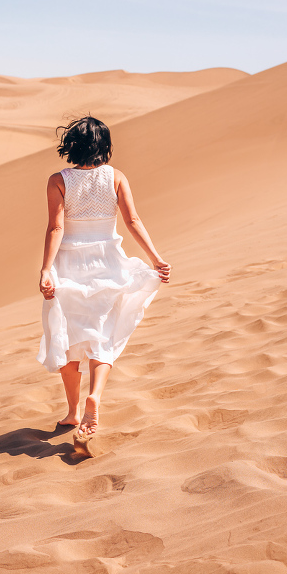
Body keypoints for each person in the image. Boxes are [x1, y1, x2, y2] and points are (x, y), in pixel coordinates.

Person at [37, 116, 170, 445]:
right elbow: (132, 220)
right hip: (108, 265)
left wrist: (45, 269)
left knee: (66, 337)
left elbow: (56, 227)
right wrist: (156, 258)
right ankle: (95, 395)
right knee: (101, 336)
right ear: (104, 145)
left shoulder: (59, 180)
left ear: (72, 145)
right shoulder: (116, 177)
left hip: (69, 265)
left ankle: (73, 411)